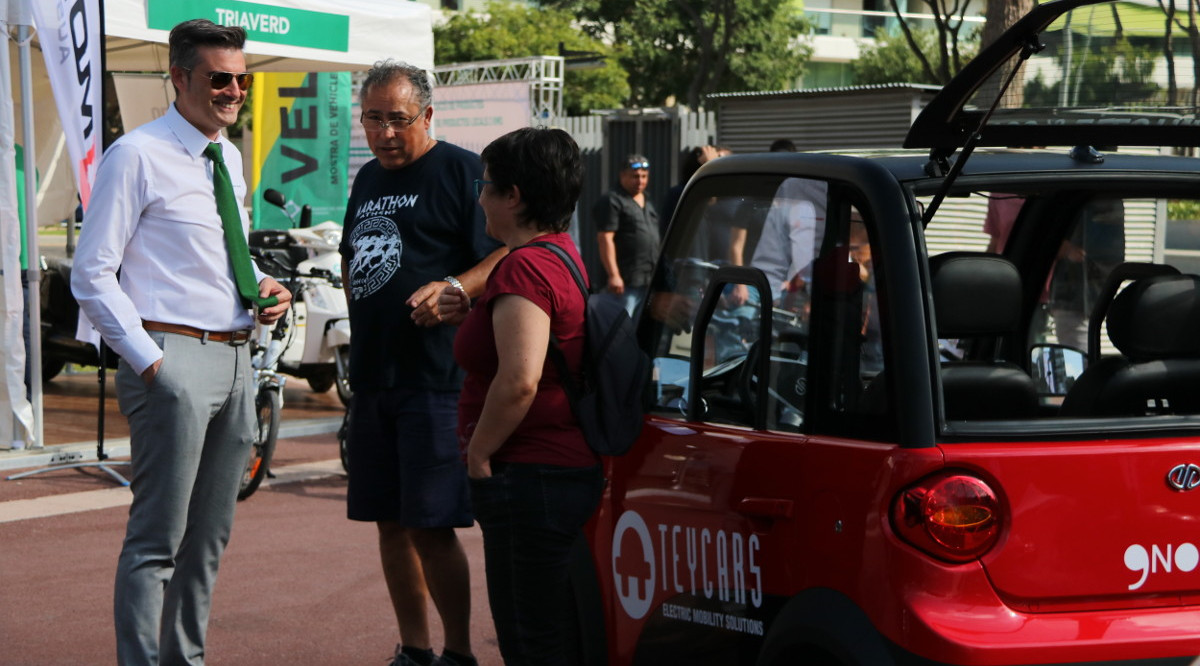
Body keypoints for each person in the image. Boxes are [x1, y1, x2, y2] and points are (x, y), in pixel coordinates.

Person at [70, 19, 292, 665]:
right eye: (219, 78)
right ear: (179, 77)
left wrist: (260, 287)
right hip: (172, 358)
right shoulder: (136, 154)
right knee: (157, 541)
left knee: (209, 540)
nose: (233, 91)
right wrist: (151, 362)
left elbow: (215, 260)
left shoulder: (226, 157)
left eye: (241, 79)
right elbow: (91, 271)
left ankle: (185, 659)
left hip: (235, 357)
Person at [338, 59, 504, 666]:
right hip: (375, 377)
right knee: (388, 523)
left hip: (436, 382)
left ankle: (459, 653)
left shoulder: (463, 171)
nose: (384, 133)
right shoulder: (366, 178)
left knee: (431, 526)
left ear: (428, 115)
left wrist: (457, 287)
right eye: (373, 119)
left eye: (398, 120)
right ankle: (415, 649)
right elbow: (353, 255)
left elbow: (506, 251)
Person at [439, 126, 604, 665]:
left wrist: (480, 453)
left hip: (529, 474)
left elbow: (520, 380)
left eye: (487, 185)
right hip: (554, 470)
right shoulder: (558, 253)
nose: (480, 197)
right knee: (547, 629)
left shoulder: (525, 266)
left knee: (529, 640)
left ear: (514, 196)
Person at [594, 154, 660, 316]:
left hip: (647, 280)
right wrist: (614, 275)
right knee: (620, 328)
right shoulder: (612, 200)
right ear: (622, 175)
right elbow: (605, 238)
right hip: (624, 283)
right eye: (635, 176)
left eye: (644, 176)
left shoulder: (647, 200)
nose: (640, 181)